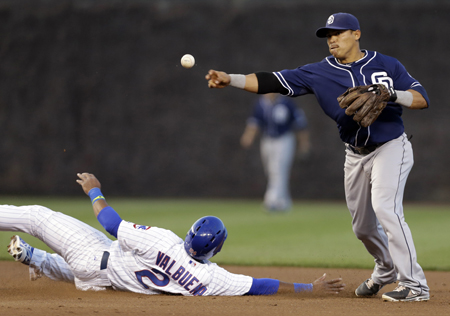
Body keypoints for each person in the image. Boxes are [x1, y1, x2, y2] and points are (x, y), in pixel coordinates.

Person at [205, 12, 430, 302]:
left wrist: (391, 94)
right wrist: (230, 79)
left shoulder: (387, 64)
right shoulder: (318, 72)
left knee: (385, 208)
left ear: (356, 34)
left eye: (338, 33)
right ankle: (385, 269)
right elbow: (272, 81)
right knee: (362, 228)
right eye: (328, 35)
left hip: (391, 146)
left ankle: (416, 285)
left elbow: (422, 98)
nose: (332, 39)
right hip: (355, 154)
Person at [1, 172, 345, 297]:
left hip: (97, 258)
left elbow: (110, 222)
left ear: (189, 233)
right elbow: (261, 285)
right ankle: (35, 258)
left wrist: (95, 191)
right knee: (86, 267)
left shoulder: (163, 240)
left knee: (36, 216)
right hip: (102, 280)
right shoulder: (211, 279)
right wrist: (309, 288)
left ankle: (38, 255)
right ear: (217, 250)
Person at [240, 93, 310, 212]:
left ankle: (271, 200)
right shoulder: (261, 103)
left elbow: (300, 123)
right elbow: (254, 122)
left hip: (284, 139)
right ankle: (284, 202)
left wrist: (304, 143)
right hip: (267, 140)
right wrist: (248, 137)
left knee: (277, 169)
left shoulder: (287, 103)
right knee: (270, 170)